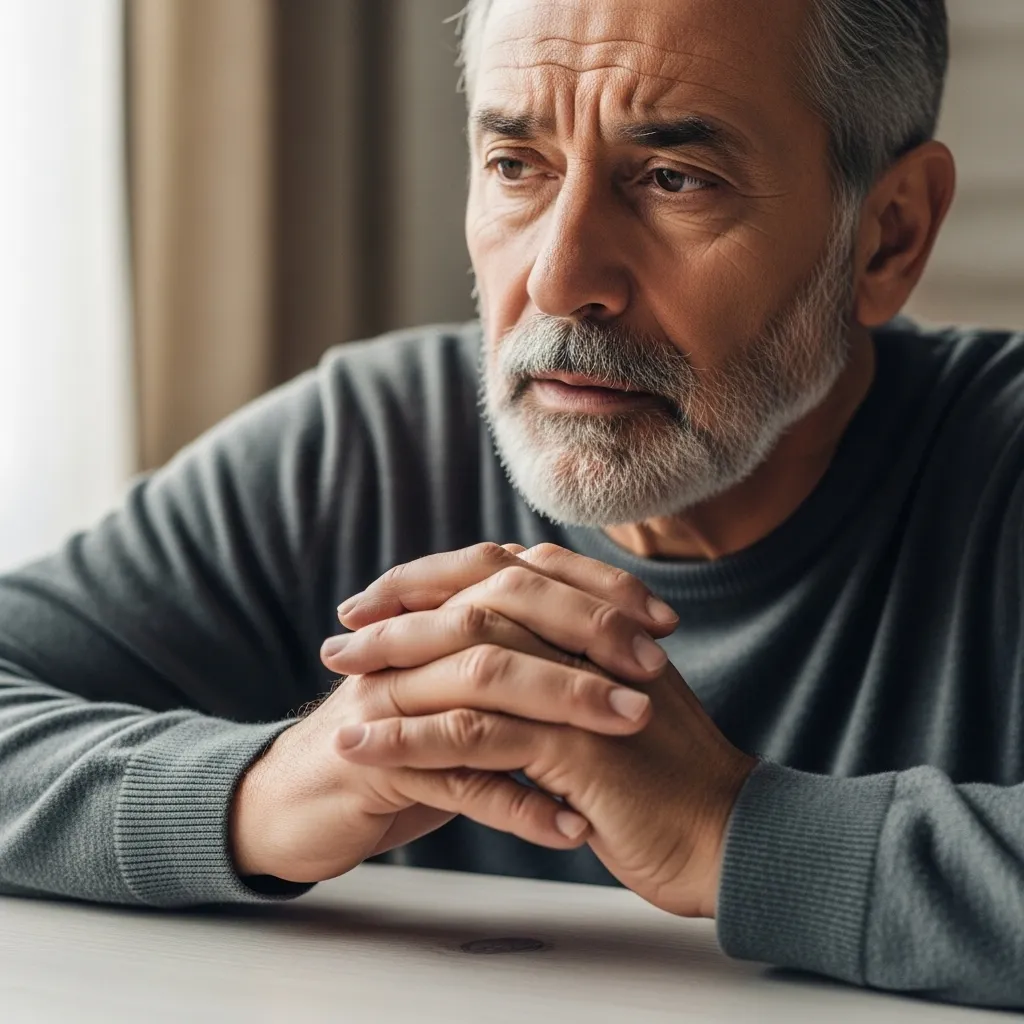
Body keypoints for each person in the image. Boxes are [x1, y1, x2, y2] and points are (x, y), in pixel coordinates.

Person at [1, 0, 1022, 1009]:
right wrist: (265, 789)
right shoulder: (370, 445)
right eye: (515, 166)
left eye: (674, 179)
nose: (559, 274)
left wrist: (729, 830)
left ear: (887, 235)